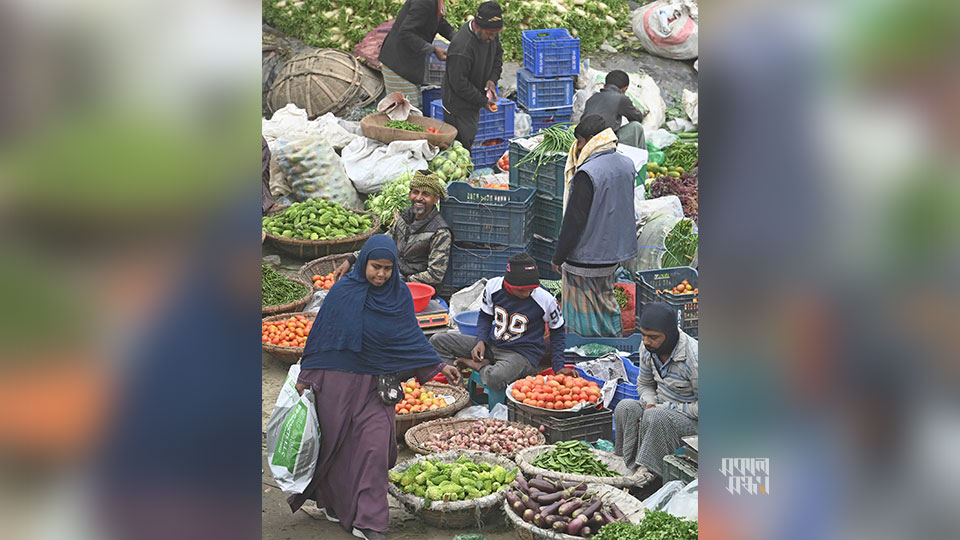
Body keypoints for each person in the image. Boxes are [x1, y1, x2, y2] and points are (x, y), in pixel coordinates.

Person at [288, 235, 461, 540]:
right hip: (337, 383)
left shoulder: (399, 296)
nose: (381, 274)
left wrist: (436, 365)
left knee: (375, 448)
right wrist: (306, 378)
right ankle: (333, 504)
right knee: (335, 447)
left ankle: (370, 521)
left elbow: (411, 337)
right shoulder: (343, 292)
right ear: (364, 263)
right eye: (375, 267)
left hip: (377, 387)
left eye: (387, 268)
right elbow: (322, 337)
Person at [430, 253, 574, 393]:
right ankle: (458, 385)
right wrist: (481, 341)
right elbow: (485, 317)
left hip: (521, 355)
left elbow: (557, 331)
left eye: (531, 289)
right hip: (494, 345)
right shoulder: (493, 287)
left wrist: (558, 367)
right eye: (522, 290)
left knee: (496, 378)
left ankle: (478, 366)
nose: (527, 293)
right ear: (508, 284)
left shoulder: (545, 299)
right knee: (438, 341)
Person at [551, 115, 637, 337]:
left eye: (579, 142)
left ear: (590, 140)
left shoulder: (587, 172)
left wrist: (558, 257)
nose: (577, 148)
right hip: (613, 253)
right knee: (605, 301)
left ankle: (585, 351)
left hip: (586, 254)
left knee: (582, 311)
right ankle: (613, 345)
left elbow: (574, 220)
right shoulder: (626, 164)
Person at [613, 303, 698, 479]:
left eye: (652, 337)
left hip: (693, 420)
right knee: (625, 407)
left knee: (655, 417)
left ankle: (653, 477)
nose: (645, 341)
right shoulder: (647, 348)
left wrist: (665, 408)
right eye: (643, 335)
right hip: (660, 408)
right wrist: (651, 402)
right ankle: (628, 468)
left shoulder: (694, 358)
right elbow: (644, 384)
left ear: (670, 335)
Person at [334, 170, 452, 287]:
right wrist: (351, 259)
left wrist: (403, 281)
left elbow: (435, 274)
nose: (419, 198)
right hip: (394, 271)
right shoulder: (406, 216)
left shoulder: (440, 232)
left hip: (411, 283)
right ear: (410, 194)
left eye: (425, 194)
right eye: (415, 192)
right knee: (356, 270)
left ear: (435, 199)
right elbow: (382, 241)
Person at [440, 1, 504, 149]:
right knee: (460, 145)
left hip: (473, 98)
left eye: (495, 35)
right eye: (489, 34)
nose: (492, 38)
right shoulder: (462, 47)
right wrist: (483, 101)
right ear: (477, 26)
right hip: (458, 105)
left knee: (469, 136)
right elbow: (459, 84)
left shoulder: (490, 32)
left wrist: (492, 79)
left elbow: (498, 56)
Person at [378, 0, 456, 109]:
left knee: (415, 108)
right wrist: (433, 50)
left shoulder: (435, 2)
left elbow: (438, 22)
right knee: (406, 113)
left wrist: (457, 38)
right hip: (398, 64)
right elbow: (406, 32)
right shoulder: (423, 2)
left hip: (410, 63)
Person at [582, 70, 647, 148]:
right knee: (636, 126)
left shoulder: (592, 98)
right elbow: (638, 118)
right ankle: (643, 158)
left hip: (586, 142)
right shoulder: (621, 98)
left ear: (605, 85)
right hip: (605, 143)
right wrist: (635, 108)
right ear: (624, 89)